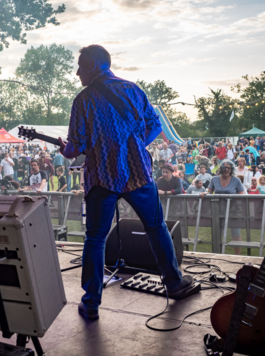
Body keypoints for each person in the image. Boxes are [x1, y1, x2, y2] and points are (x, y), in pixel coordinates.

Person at [57, 45, 190, 320]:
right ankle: (174, 284)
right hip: (138, 174)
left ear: (94, 65)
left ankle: (91, 303)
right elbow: (155, 125)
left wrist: (65, 149)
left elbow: (75, 148)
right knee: (156, 228)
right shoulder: (134, 90)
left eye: (81, 65)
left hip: (102, 178)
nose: (77, 71)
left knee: (95, 239)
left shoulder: (83, 100)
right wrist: (135, 146)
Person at [199, 159, 245, 254]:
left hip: (233, 211)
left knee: (236, 233)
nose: (226, 169)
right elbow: (209, 191)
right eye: (224, 167)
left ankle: (238, 256)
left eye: (228, 167)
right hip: (218, 211)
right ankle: (218, 255)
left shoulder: (236, 180)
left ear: (231, 169)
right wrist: (205, 193)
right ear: (221, 168)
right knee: (217, 233)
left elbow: (242, 195)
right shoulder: (214, 179)